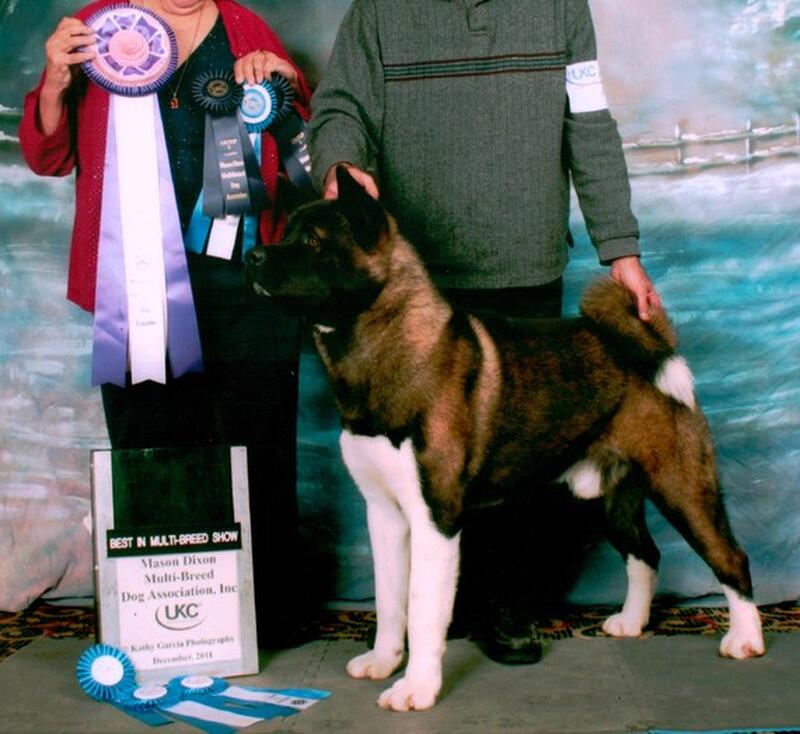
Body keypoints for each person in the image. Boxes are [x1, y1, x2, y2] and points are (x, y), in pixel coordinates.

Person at [309, 0, 662, 664]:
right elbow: (338, 108)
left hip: (525, 265)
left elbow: (588, 124)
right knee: (417, 464)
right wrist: (339, 164)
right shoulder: (379, 11)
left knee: (516, 457)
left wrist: (620, 249)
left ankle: (506, 607)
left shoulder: (561, 7)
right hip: (416, 282)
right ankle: (430, 616)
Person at [19, 0, 312, 646]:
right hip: (135, 282)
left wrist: (287, 85)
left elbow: (304, 150)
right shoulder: (97, 29)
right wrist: (57, 81)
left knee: (259, 449)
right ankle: (160, 623)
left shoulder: (246, 26)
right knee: (151, 446)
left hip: (244, 275)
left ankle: (264, 616)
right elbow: (47, 157)